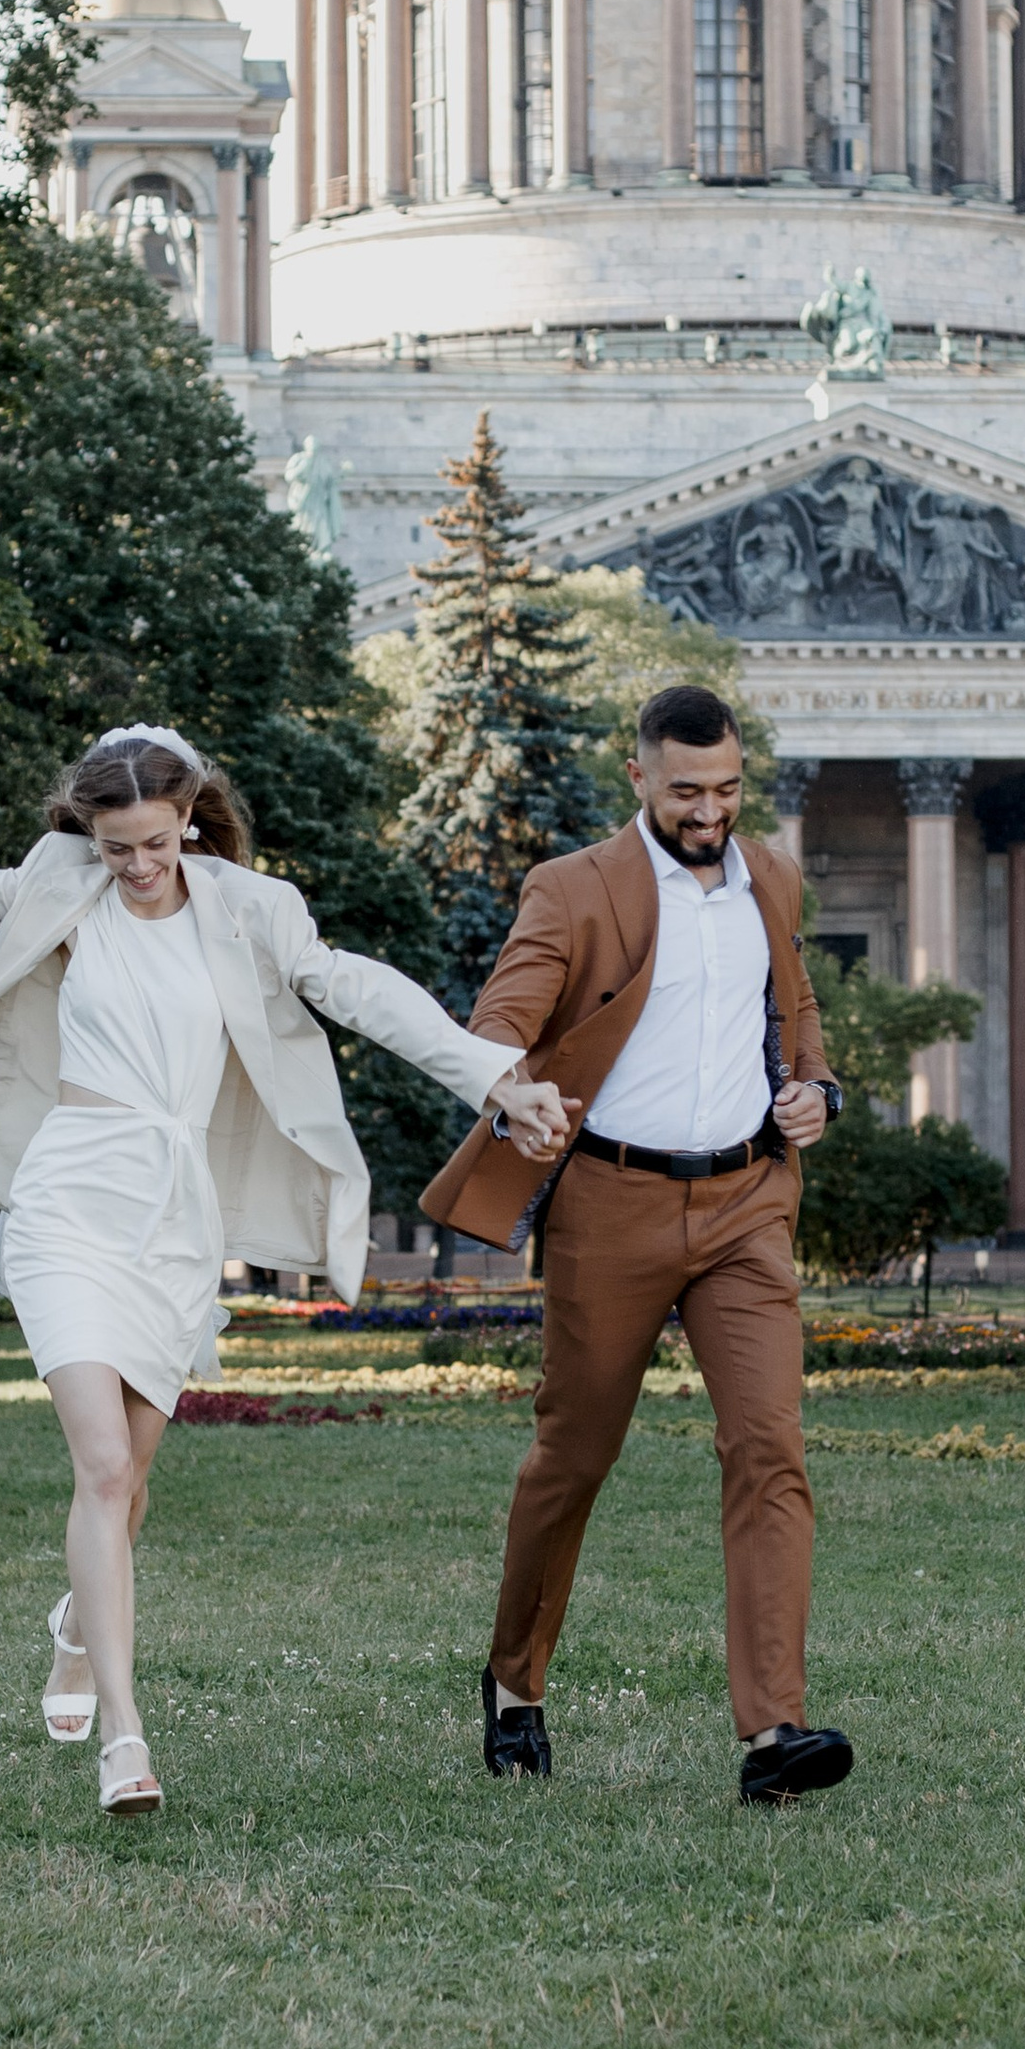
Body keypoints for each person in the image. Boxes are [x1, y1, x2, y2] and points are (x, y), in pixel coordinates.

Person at [0, 715, 570, 1818]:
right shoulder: (64, 885)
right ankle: (125, 1736)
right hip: (68, 1194)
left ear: (190, 818)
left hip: (177, 1218)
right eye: (117, 848)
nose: (139, 867)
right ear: (87, 835)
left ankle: (71, 1627)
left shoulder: (255, 911)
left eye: (156, 842)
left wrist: (497, 1079)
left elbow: (368, 996)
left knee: (132, 1483)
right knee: (101, 1468)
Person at [421, 684, 852, 1808]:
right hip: (610, 1206)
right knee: (574, 1458)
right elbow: (498, 1025)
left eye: (727, 790)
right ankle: (515, 1685)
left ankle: (775, 1734)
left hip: (747, 1204)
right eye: (687, 791)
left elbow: (794, 1011)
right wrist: (509, 1093)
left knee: (769, 1448)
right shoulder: (573, 889)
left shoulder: (774, 877)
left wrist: (815, 1090)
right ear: (639, 779)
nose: (710, 812)